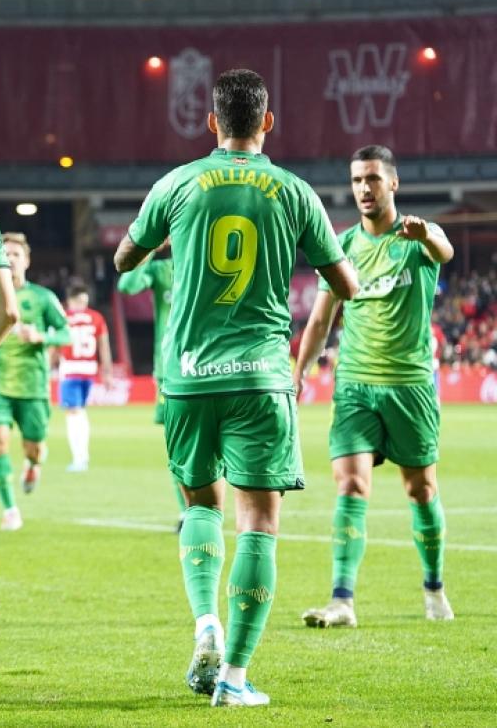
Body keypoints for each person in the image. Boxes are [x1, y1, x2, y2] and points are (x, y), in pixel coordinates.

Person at [114, 69, 358, 708]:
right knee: (259, 523)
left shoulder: (178, 183)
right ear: (267, 122)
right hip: (259, 377)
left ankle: (206, 623)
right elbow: (346, 285)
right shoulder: (294, 191)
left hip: (188, 377)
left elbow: (123, 260)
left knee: (200, 505)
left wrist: (174, 238)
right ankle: (234, 677)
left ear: (212, 122)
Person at [295, 145, 455, 629]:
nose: (364, 188)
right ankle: (342, 600)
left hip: (409, 386)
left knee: (421, 489)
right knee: (350, 483)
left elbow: (444, 250)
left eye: (373, 179)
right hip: (355, 385)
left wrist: (427, 234)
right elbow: (320, 320)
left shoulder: (418, 239)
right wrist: (299, 373)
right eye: (357, 180)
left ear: (393, 183)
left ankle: (434, 588)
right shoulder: (341, 246)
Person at [0, 232, 69, 531]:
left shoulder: (43, 297)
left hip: (33, 386)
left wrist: (41, 336)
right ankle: (10, 510)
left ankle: (33, 465)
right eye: (5, 255)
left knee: (34, 447)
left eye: (16, 255)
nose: (10, 259)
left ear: (27, 261)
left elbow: (67, 333)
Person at [116, 245, 189, 524]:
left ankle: (206, 508)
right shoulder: (161, 270)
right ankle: (188, 511)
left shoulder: (206, 263)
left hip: (208, 365)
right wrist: (148, 249)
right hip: (170, 369)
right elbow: (127, 285)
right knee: (178, 445)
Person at [56, 281, 112, 473]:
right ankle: (82, 456)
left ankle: (79, 458)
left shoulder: (63, 317)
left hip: (70, 369)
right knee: (79, 411)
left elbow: (55, 345)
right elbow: (104, 346)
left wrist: (47, 366)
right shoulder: (96, 317)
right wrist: (107, 372)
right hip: (89, 370)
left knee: (73, 413)